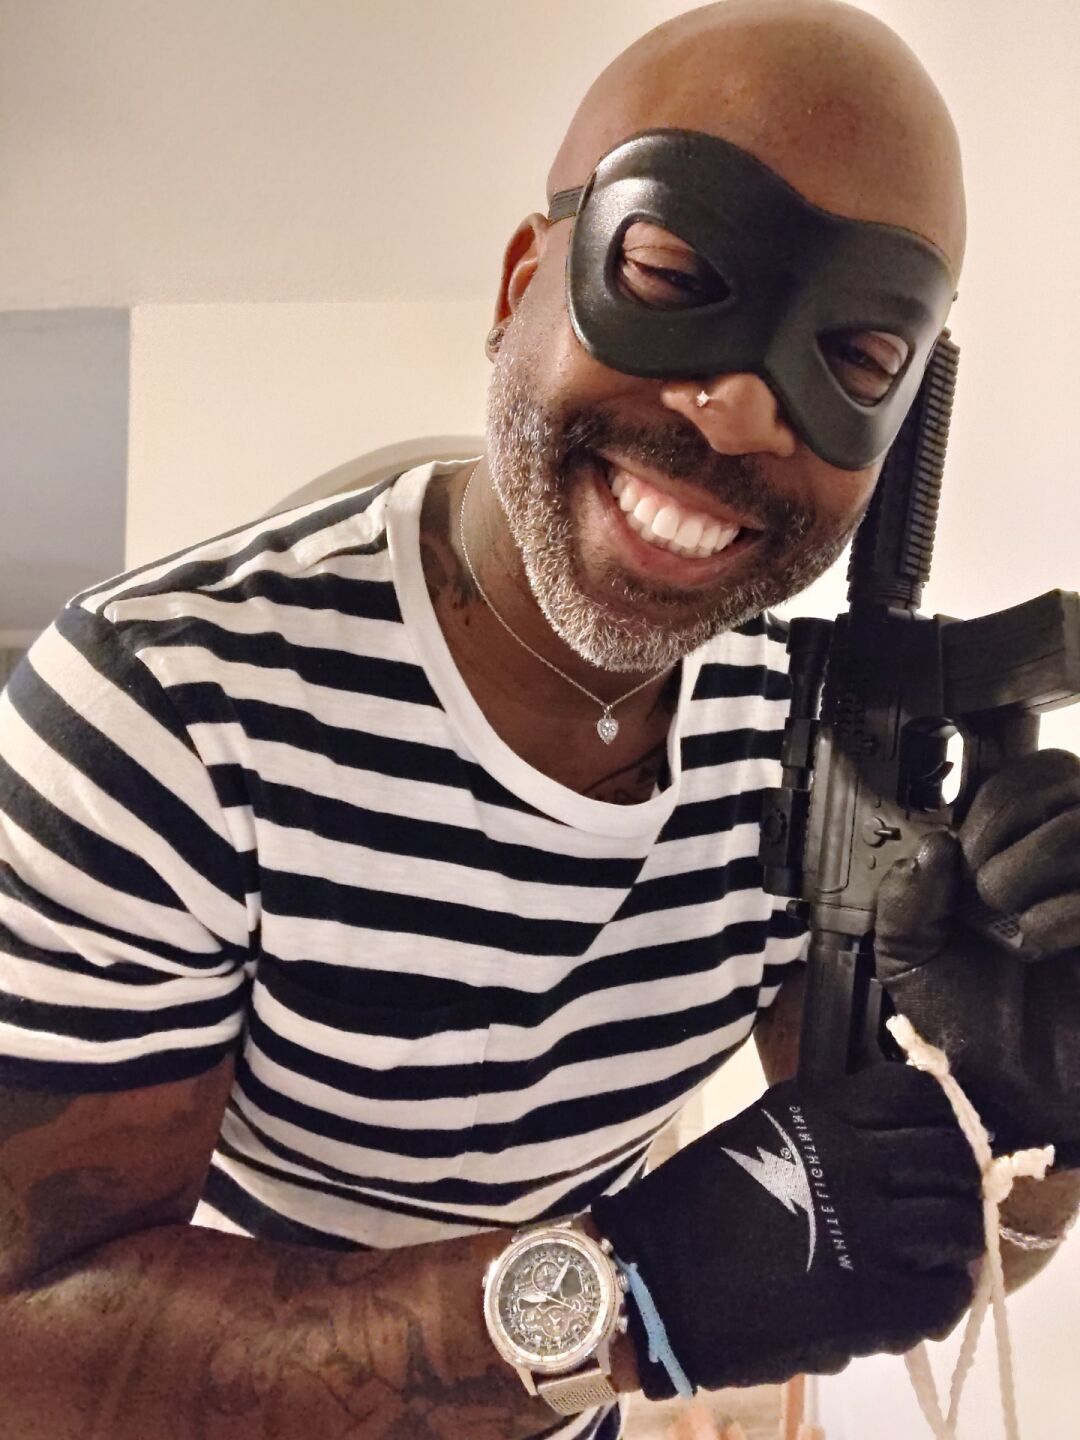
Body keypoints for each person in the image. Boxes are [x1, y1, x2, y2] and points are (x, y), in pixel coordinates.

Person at [0, 3, 1077, 1438]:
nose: (743, 407)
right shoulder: (164, 710)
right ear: (523, 282)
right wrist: (625, 1300)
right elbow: (27, 1345)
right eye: (674, 275)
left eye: (858, 360)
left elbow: (902, 1252)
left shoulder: (807, 746)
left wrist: (1024, 1120)